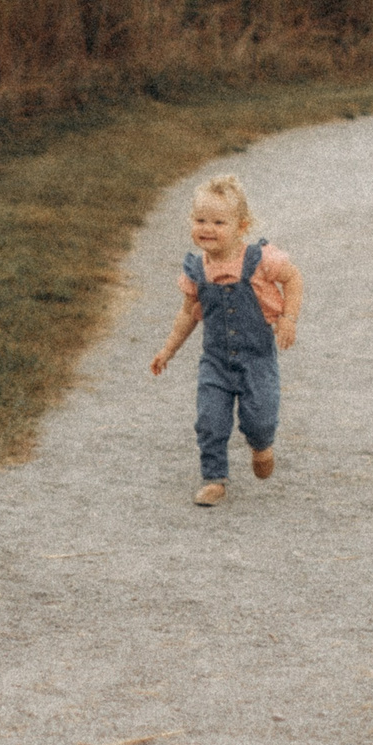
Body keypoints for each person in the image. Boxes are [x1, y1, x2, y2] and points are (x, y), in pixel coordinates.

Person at [148, 174, 304, 506]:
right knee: (209, 420)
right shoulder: (196, 270)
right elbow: (188, 315)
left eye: (219, 222)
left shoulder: (260, 260)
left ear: (241, 226)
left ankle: (261, 446)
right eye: (200, 220)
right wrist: (168, 350)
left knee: (260, 418)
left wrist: (288, 318)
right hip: (215, 362)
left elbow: (293, 278)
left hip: (256, 360)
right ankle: (214, 478)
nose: (208, 228)